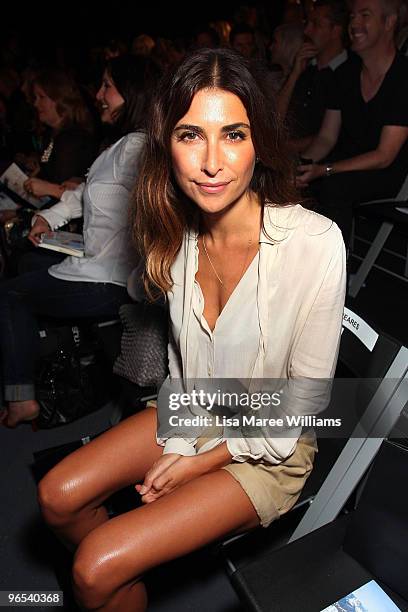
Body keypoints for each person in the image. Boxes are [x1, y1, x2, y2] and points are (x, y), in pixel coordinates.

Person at [37, 48, 346, 611]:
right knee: (57, 497)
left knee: (94, 565)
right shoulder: (174, 235)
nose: (212, 163)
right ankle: (115, 586)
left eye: (232, 134)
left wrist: (197, 461)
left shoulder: (315, 243)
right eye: (189, 135)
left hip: (269, 445)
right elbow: (182, 374)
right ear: (166, 146)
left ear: (258, 142)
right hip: (197, 403)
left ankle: (106, 576)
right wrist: (181, 441)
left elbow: (300, 407)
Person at [0, 55, 158, 427]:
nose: (99, 94)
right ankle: (59, 361)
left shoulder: (139, 148)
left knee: (9, 294)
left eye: (108, 86)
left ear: (131, 94)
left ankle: (21, 396)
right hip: (97, 261)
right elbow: (85, 190)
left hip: (109, 278)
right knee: (27, 261)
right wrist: (48, 216)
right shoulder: (123, 144)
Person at [297, 0, 408, 246]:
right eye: (353, 16)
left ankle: (335, 275)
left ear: (389, 23)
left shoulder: (402, 77)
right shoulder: (345, 74)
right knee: (288, 179)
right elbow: (326, 138)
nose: (354, 23)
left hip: (383, 174)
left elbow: (384, 155)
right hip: (341, 164)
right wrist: (302, 166)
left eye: (365, 15)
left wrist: (324, 170)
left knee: (332, 187)